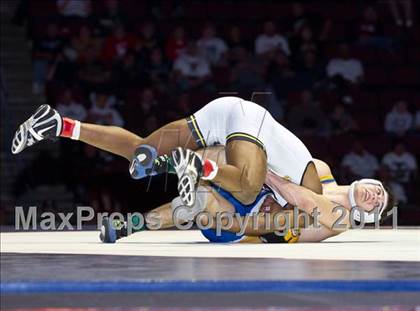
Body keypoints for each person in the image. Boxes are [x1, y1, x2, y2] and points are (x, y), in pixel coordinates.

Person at [100, 147, 394, 244]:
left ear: (366, 215)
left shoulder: (339, 221)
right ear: (369, 180)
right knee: (228, 150)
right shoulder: (321, 168)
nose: (375, 195)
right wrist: (260, 168)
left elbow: (284, 222)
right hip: (255, 190)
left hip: (249, 225)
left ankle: (129, 226)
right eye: (379, 190)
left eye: (377, 204)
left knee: (198, 205)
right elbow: (280, 158)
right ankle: (165, 164)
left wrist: (265, 174)